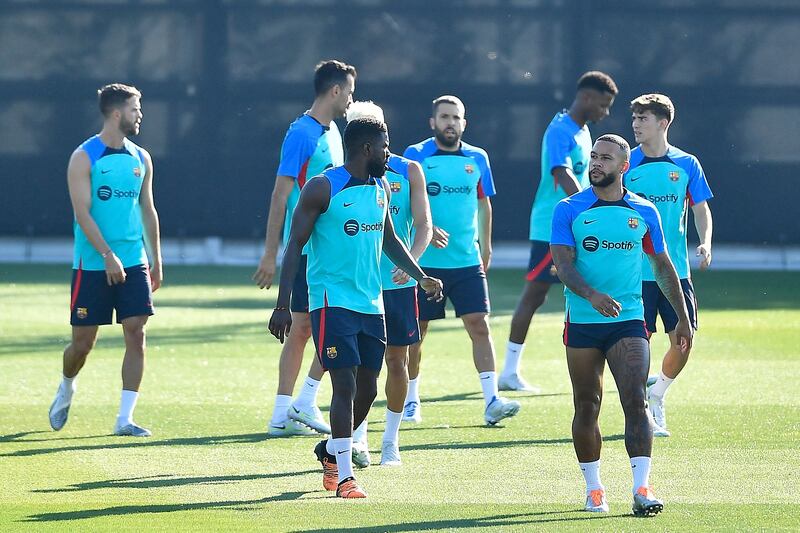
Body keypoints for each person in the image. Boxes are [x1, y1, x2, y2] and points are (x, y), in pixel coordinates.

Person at [268, 117, 442, 498]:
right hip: (332, 302)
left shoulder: (381, 187)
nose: (388, 153)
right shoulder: (322, 188)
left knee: (368, 388)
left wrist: (420, 276)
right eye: (384, 146)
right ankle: (345, 477)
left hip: (371, 303)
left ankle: (331, 451)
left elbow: (391, 240)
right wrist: (283, 305)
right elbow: (294, 246)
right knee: (344, 384)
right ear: (366, 148)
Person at [550, 134, 692, 516]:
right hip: (582, 321)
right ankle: (594, 489)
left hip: (628, 320)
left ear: (623, 167)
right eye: (593, 157)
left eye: (605, 158)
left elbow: (663, 267)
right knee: (587, 404)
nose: (596, 163)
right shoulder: (568, 209)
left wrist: (681, 317)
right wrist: (592, 295)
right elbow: (562, 266)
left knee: (636, 400)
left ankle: (642, 488)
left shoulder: (644, 211)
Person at [48, 83, 162, 437]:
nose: (140, 114)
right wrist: (107, 255)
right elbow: (82, 214)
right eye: (135, 108)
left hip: (133, 261)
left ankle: (124, 419)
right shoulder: (84, 157)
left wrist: (156, 259)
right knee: (83, 344)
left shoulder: (141, 158)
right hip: (93, 264)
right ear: (116, 113)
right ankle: (67, 384)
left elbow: (147, 209)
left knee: (136, 332)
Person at [402, 95, 520, 426]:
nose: (450, 122)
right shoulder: (416, 156)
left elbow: (484, 204)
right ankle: (410, 399)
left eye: (456, 117)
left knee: (479, 325)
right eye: (444, 116)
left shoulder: (477, 157)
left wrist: (487, 247)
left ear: (464, 123)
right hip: (426, 263)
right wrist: (427, 227)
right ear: (432, 122)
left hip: (467, 262)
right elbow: (404, 200)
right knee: (417, 332)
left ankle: (491, 400)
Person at [253, 60, 355, 437]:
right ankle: (291, 408)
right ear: (334, 91)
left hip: (331, 248)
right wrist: (270, 253)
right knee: (310, 327)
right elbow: (280, 194)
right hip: (311, 250)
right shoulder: (302, 134)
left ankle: (292, 409)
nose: (351, 100)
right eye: (349, 92)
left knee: (312, 326)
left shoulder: (333, 133)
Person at [502, 71, 618, 392]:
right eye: (604, 105)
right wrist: (592, 206)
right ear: (587, 98)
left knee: (586, 288)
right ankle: (509, 371)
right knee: (535, 294)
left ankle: (604, 362)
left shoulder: (582, 132)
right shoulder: (559, 130)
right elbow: (561, 173)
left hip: (577, 226)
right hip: (552, 227)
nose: (605, 113)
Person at [343, 101, 432, 467]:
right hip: (359, 286)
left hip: (396, 286)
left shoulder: (408, 170)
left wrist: (411, 263)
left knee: (398, 361)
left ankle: (391, 441)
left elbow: (424, 224)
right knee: (361, 367)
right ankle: (358, 440)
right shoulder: (342, 177)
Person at [624, 93, 713, 437]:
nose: (635, 125)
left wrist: (705, 242)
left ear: (663, 123)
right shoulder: (625, 162)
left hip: (676, 273)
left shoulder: (687, 164)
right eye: (634, 119)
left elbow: (702, 208)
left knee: (683, 341)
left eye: (642, 119)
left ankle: (657, 392)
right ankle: (641, 413)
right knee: (635, 345)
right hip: (635, 274)